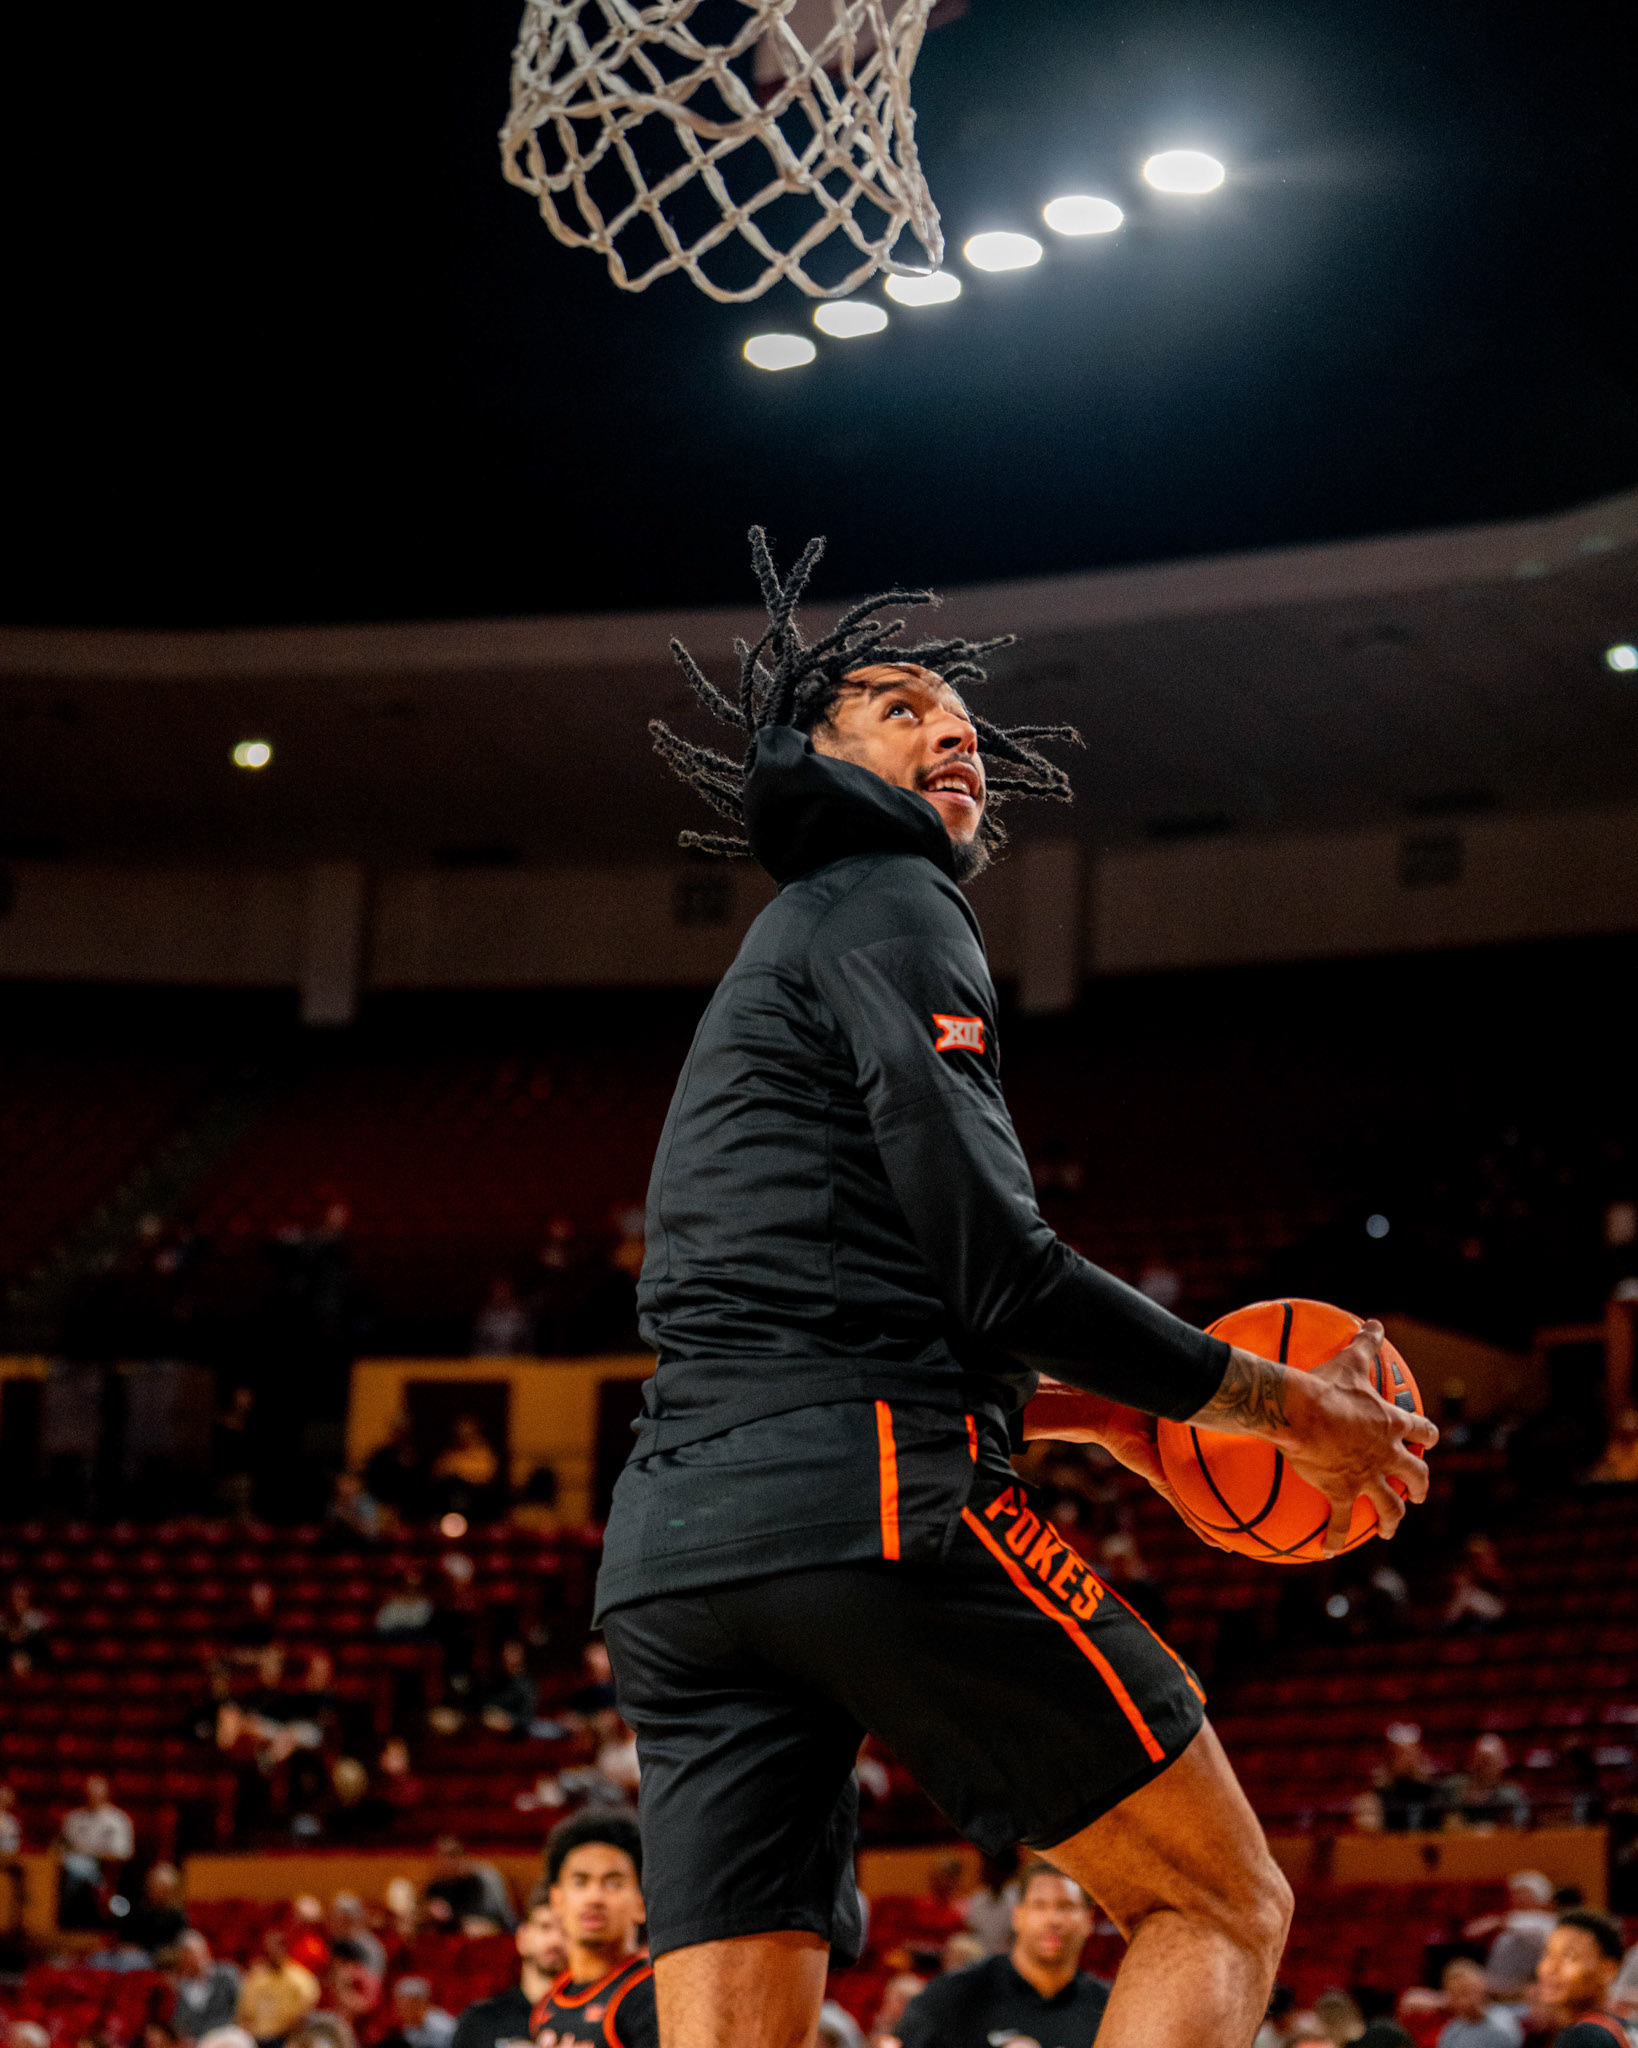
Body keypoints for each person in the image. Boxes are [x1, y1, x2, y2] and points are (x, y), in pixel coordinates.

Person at [593, 531, 1436, 2048]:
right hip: (862, 1505)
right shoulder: (892, 900)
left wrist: (1092, 1418)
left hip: (670, 1557)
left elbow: (820, 1322)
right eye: (902, 705)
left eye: (960, 714)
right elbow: (1001, 1266)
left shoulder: (783, 945)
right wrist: (1284, 1409)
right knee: (1218, 1902)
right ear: (817, 755)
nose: (952, 728)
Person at [895, 1865, 1108, 2048]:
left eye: (1066, 1906)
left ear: (1089, 1919)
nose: (1053, 1920)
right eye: (1039, 1905)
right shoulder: (951, 1997)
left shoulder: (1108, 2008)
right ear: (1017, 1915)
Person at [530, 1809, 655, 2048]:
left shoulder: (651, 1995)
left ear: (641, 1903)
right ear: (556, 1900)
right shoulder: (548, 2001)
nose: (594, 1897)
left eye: (613, 1883)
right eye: (580, 1882)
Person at [452, 1890, 567, 2048]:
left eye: (566, 1931)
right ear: (522, 1937)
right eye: (544, 1927)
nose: (555, 1940)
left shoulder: (592, 2019)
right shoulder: (481, 2020)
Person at [1537, 1911, 1631, 2046]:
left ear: (1607, 1970)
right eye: (1548, 1954)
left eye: (1569, 1956)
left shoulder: (1583, 2036)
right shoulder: (1623, 2026)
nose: (1550, 1968)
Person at [56, 1773, 134, 1927]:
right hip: (68, 1866)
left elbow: (123, 1854)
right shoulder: (73, 1818)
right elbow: (60, 1848)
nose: (92, 1794)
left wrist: (90, 1854)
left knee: (77, 1867)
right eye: (89, 1790)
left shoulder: (117, 1820)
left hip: (103, 1871)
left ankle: (67, 1917)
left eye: (97, 1791)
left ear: (107, 1792)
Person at [237, 1929, 321, 2046]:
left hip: (286, 2037)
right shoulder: (256, 1977)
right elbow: (244, 2014)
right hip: (256, 2038)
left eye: (277, 1947)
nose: (273, 1952)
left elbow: (305, 2013)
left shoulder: (301, 1979)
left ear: (285, 1949)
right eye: (269, 1948)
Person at [167, 1931, 244, 2041]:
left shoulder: (227, 1976)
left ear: (207, 1951)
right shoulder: (178, 1990)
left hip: (228, 2036)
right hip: (196, 2042)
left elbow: (242, 2008)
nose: (195, 1960)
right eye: (188, 1956)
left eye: (197, 1954)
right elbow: (179, 2024)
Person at [1443, 1737, 1531, 1830]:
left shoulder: (1512, 1793)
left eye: (1491, 1762)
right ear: (1472, 1761)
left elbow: (1520, 1824)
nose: (1483, 1768)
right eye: (1482, 1761)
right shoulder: (1453, 1787)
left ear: (1502, 1763)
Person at [1437, 1957, 1524, 2048]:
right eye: (1455, 1995)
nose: (1463, 2002)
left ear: (1481, 1988)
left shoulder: (1502, 2025)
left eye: (1466, 1992)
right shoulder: (1452, 2031)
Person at [127, 1861, 189, 1958]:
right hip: (138, 1955)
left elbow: (178, 1946)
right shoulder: (141, 1910)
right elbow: (129, 1939)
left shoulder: (177, 1915)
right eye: (153, 1886)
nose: (156, 1891)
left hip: (162, 1959)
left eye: (161, 1888)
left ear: (170, 1890)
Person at [379, 1981, 456, 2048]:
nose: (398, 2009)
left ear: (419, 2002)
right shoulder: (410, 2026)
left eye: (403, 2004)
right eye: (397, 2003)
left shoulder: (441, 2026)